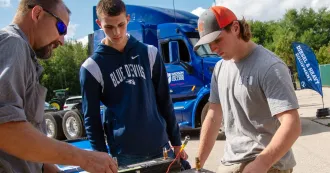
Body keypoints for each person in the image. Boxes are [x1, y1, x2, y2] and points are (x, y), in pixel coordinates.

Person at [0, 0, 117, 173]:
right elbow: (6, 129)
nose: (62, 40)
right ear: (37, 13)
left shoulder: (25, 54)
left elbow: (25, 141)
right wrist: (84, 158)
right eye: (61, 28)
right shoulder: (13, 43)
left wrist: (49, 168)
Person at [80, 0, 189, 167]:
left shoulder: (150, 53)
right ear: (98, 24)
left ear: (128, 19)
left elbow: (165, 101)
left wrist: (176, 141)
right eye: (109, 27)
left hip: (161, 146)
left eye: (121, 24)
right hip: (125, 155)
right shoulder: (92, 67)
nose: (116, 32)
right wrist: (101, 158)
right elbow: (91, 119)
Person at [194, 6, 301, 173]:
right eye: (209, 44)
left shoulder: (270, 67)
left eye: (217, 40)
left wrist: (261, 163)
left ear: (235, 28)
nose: (213, 49)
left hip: (269, 163)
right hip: (231, 162)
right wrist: (198, 164)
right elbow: (214, 115)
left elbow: (292, 124)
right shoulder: (220, 69)